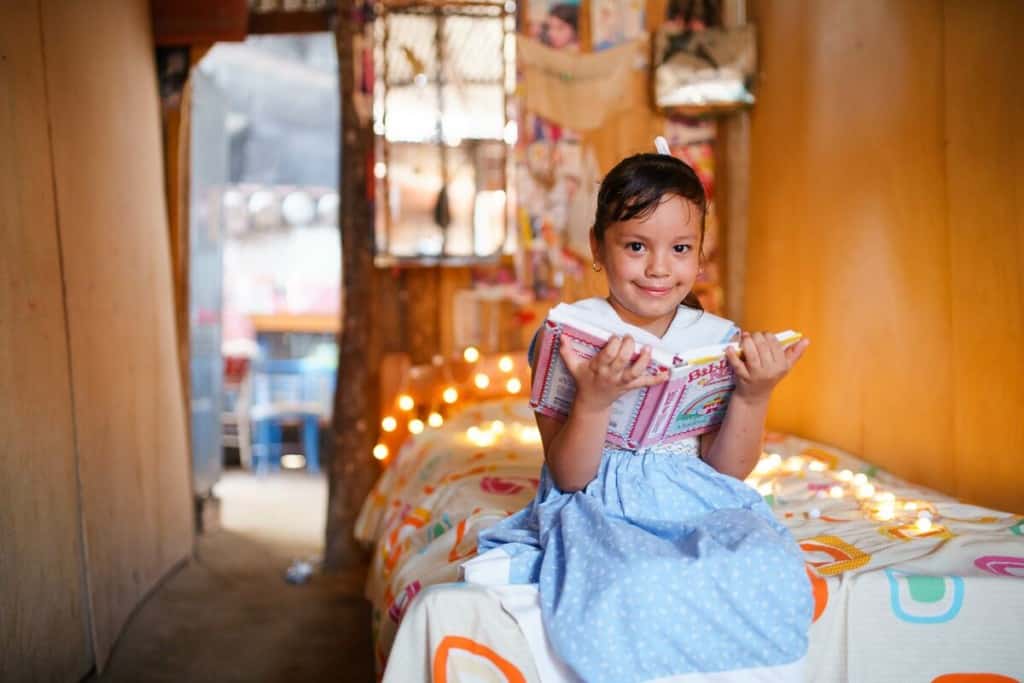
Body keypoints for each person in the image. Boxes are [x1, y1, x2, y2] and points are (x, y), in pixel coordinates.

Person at [466, 153, 814, 683]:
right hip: (600, 502)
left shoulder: (718, 339)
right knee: (627, 579)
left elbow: (728, 472)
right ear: (597, 248)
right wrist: (595, 401)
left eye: (680, 249)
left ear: (700, 254)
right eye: (635, 246)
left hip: (697, 497)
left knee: (767, 560)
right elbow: (570, 478)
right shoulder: (570, 336)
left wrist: (753, 394)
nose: (658, 268)